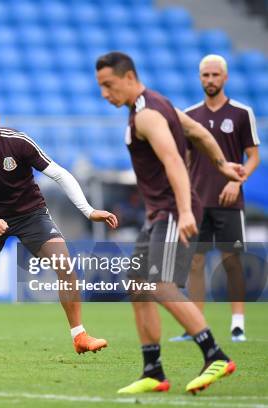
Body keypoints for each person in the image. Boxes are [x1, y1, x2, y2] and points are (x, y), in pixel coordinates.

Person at [95, 51, 245, 394]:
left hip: (172, 210)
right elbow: (197, 133)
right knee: (138, 286)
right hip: (160, 212)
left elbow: (175, 161)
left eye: (108, 84)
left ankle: (215, 354)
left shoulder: (147, 115)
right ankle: (153, 370)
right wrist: (222, 166)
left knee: (159, 283)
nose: (105, 93)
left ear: (129, 77)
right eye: (100, 87)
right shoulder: (159, 104)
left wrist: (186, 211)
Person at [0, 93, 119, 362]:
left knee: (64, 264)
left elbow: (59, 173)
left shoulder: (18, 142)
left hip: (30, 214)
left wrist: (88, 210)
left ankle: (80, 336)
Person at [169, 55, 260, 343]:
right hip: (197, 202)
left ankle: (238, 324)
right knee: (194, 263)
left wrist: (238, 181)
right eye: (205, 75)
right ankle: (196, 326)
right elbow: (183, 159)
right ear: (199, 78)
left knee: (232, 261)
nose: (210, 80)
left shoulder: (241, 113)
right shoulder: (190, 115)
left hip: (229, 202)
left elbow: (253, 156)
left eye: (215, 75)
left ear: (225, 77)